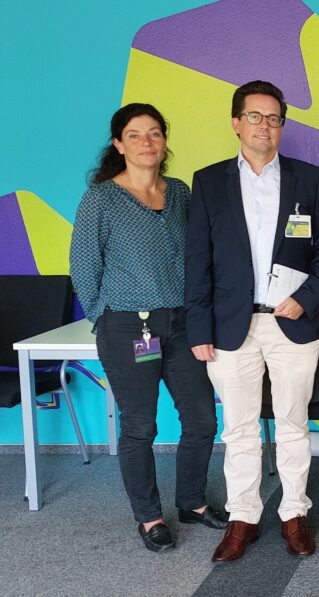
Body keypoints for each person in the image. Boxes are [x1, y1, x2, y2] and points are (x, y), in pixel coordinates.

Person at [184, 80, 319, 562]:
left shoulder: (308, 179)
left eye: (274, 118)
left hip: (292, 322)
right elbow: (198, 261)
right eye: (255, 116)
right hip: (231, 327)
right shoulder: (208, 181)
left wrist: (307, 298)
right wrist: (199, 329)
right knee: (239, 430)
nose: (265, 126)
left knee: (294, 423)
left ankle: (294, 513)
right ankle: (243, 518)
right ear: (236, 123)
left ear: (282, 126)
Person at [70, 103, 227, 553]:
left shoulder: (179, 192)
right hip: (128, 327)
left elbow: (201, 254)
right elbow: (83, 265)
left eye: (154, 133)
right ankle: (149, 516)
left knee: (201, 419)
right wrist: (104, 316)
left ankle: (192, 502)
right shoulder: (101, 198)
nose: (146, 142)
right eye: (135, 135)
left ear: (164, 141)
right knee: (139, 426)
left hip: (182, 324)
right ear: (118, 144)